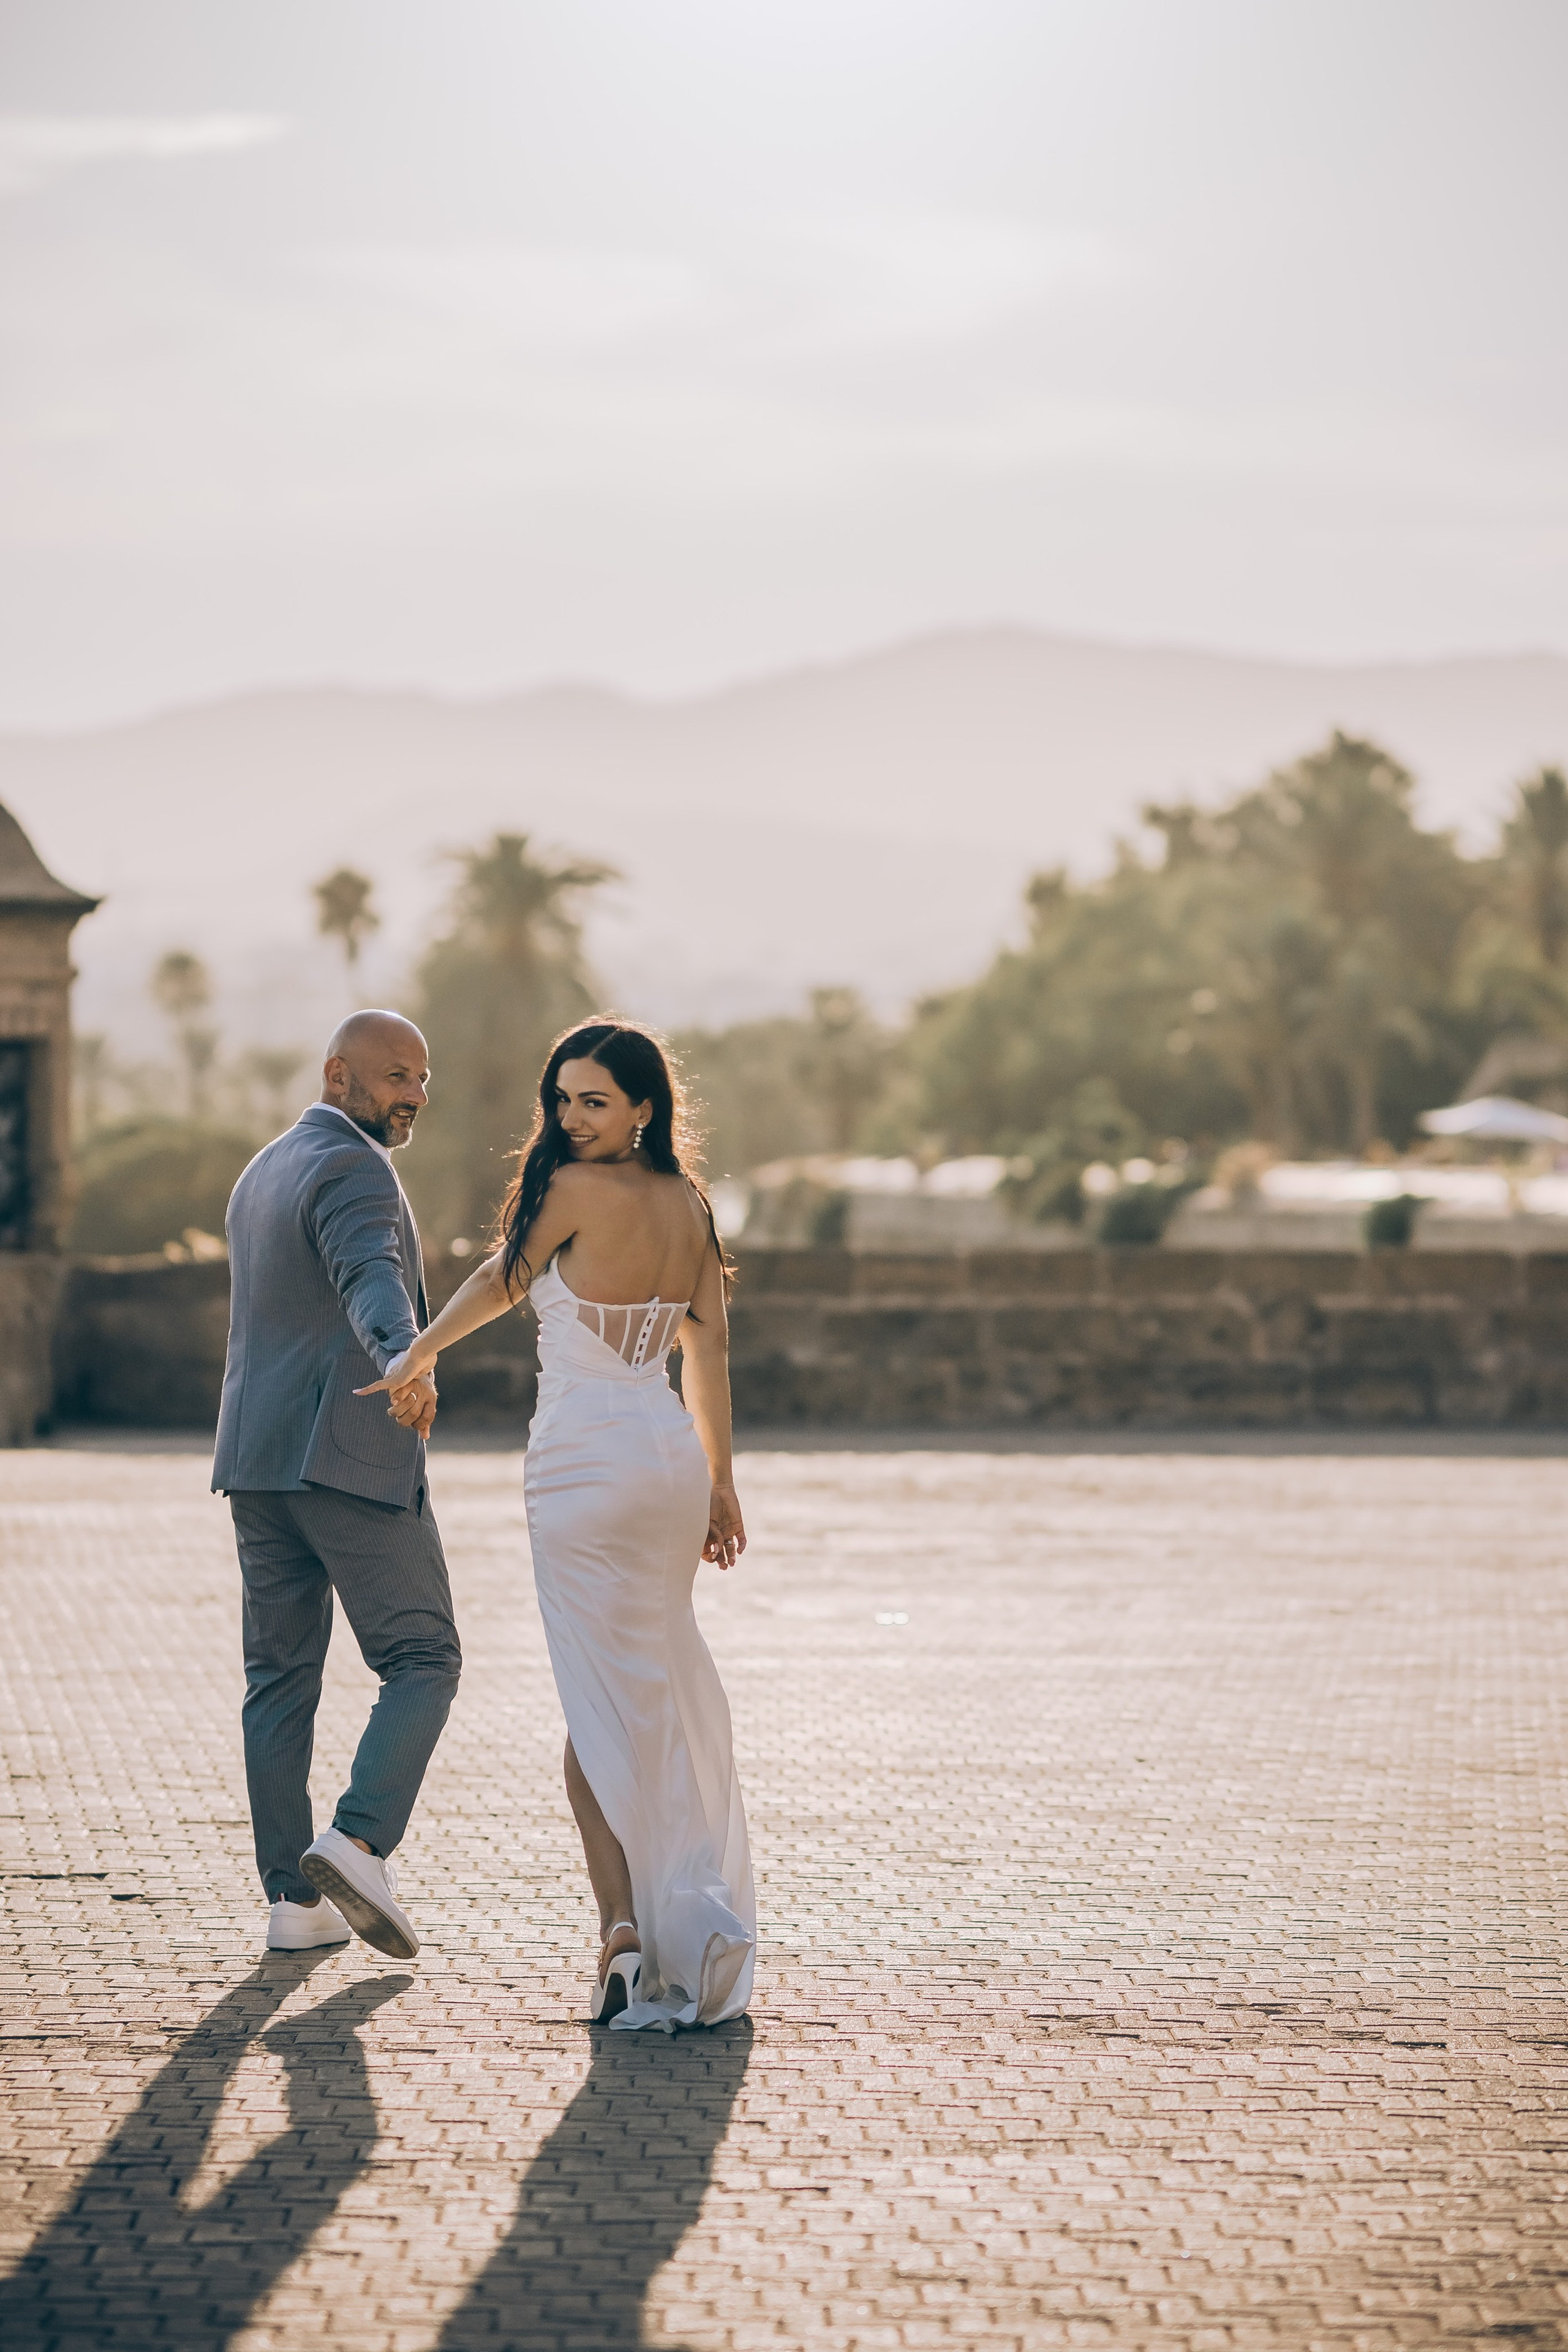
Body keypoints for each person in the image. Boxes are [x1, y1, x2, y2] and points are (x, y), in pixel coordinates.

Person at [360, 1019, 753, 2028]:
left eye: (594, 1101)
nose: (572, 1121)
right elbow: (705, 1354)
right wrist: (719, 1481)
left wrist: (420, 1352)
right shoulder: (690, 1207)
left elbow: (503, 1279)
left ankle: (624, 1928)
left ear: (644, 1110)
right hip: (665, 1462)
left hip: (583, 1466)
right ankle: (678, 1918)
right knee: (653, 1691)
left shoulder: (576, 1192)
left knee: (595, 1706)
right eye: (563, 1101)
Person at [212, 1010, 461, 1961]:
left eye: (421, 1077)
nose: (415, 1094)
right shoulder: (356, 1166)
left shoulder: (261, 1169)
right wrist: (407, 1359)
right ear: (338, 1076)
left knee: (277, 1682)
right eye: (397, 1074)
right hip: (344, 1457)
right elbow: (373, 1278)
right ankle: (357, 1842)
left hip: (256, 1463)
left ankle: (293, 1903)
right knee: (424, 1659)